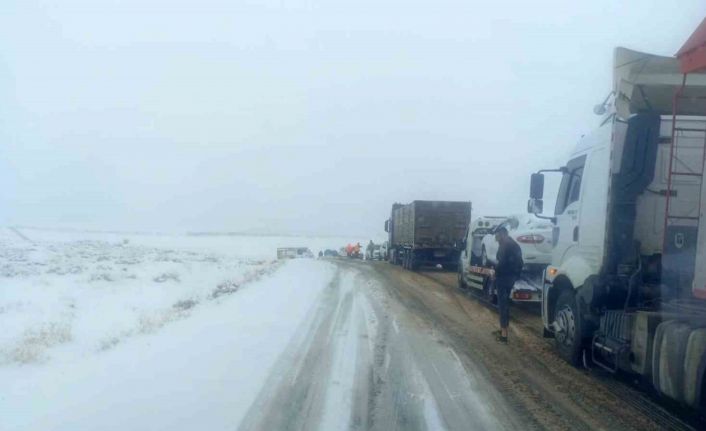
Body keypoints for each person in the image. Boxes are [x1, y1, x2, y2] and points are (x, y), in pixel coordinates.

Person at [492, 226, 523, 344]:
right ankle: (502, 330)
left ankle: (504, 335)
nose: (495, 237)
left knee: (502, 304)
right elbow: (520, 262)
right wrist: (516, 275)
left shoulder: (505, 244)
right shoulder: (514, 244)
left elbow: (502, 262)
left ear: (502, 234)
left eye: (497, 234)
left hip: (503, 277)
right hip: (511, 277)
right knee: (505, 304)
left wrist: (495, 272)